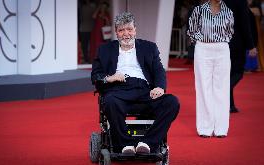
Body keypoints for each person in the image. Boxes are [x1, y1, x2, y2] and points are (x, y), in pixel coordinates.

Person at [91, 12, 180, 154]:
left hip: (144, 91)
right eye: (121, 30)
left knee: (172, 102)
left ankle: (147, 143)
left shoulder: (149, 47)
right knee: (110, 101)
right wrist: (110, 78)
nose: (126, 34)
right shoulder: (105, 50)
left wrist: (159, 87)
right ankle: (125, 145)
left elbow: (158, 70)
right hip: (118, 90)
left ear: (135, 30)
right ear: (116, 32)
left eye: (129, 29)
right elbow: (95, 75)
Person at [187, 0, 234, 138]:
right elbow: (191, 30)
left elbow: (230, 32)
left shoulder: (228, 11)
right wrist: (202, 41)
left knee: (222, 88)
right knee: (203, 87)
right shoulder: (199, 10)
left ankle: (221, 129)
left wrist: (219, 41)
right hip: (202, 48)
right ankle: (205, 128)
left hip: (222, 49)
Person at [223, 0, 258, 113]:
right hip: (237, 43)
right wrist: (251, 45)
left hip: (222, 43)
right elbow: (245, 24)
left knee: (228, 74)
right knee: (237, 73)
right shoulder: (240, 2)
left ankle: (231, 105)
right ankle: (222, 92)